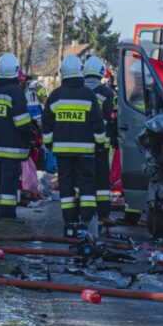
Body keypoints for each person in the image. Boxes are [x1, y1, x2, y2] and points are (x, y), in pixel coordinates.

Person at [42, 55, 106, 230]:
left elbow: (46, 124)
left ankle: (69, 219)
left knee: (66, 183)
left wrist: (49, 144)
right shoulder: (88, 95)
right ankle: (87, 218)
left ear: (63, 73)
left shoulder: (55, 96)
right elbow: (98, 124)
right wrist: (100, 145)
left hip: (62, 152)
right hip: (86, 152)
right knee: (86, 183)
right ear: (80, 72)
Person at [0, 53, 33, 219]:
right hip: (12, 148)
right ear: (16, 70)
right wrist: (30, 137)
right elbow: (22, 123)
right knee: (8, 183)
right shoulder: (15, 93)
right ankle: (7, 214)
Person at [83, 56, 116, 221]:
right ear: (101, 72)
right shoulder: (106, 93)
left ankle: (83, 213)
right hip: (100, 143)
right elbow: (107, 119)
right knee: (102, 178)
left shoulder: (78, 90)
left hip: (80, 142)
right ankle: (103, 214)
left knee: (83, 178)